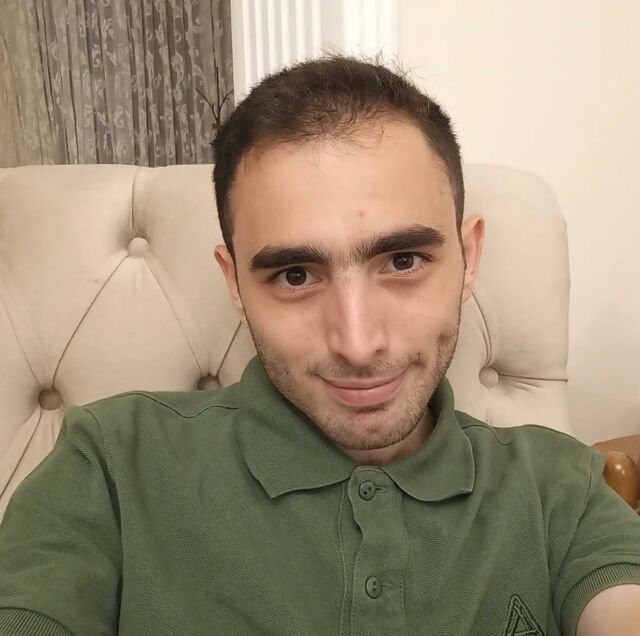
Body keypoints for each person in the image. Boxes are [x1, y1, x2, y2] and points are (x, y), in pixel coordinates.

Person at [0, 55, 639, 636]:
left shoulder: (560, 486)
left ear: (468, 258)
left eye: (403, 260)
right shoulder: (109, 464)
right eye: (295, 275)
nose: (358, 344)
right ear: (234, 283)